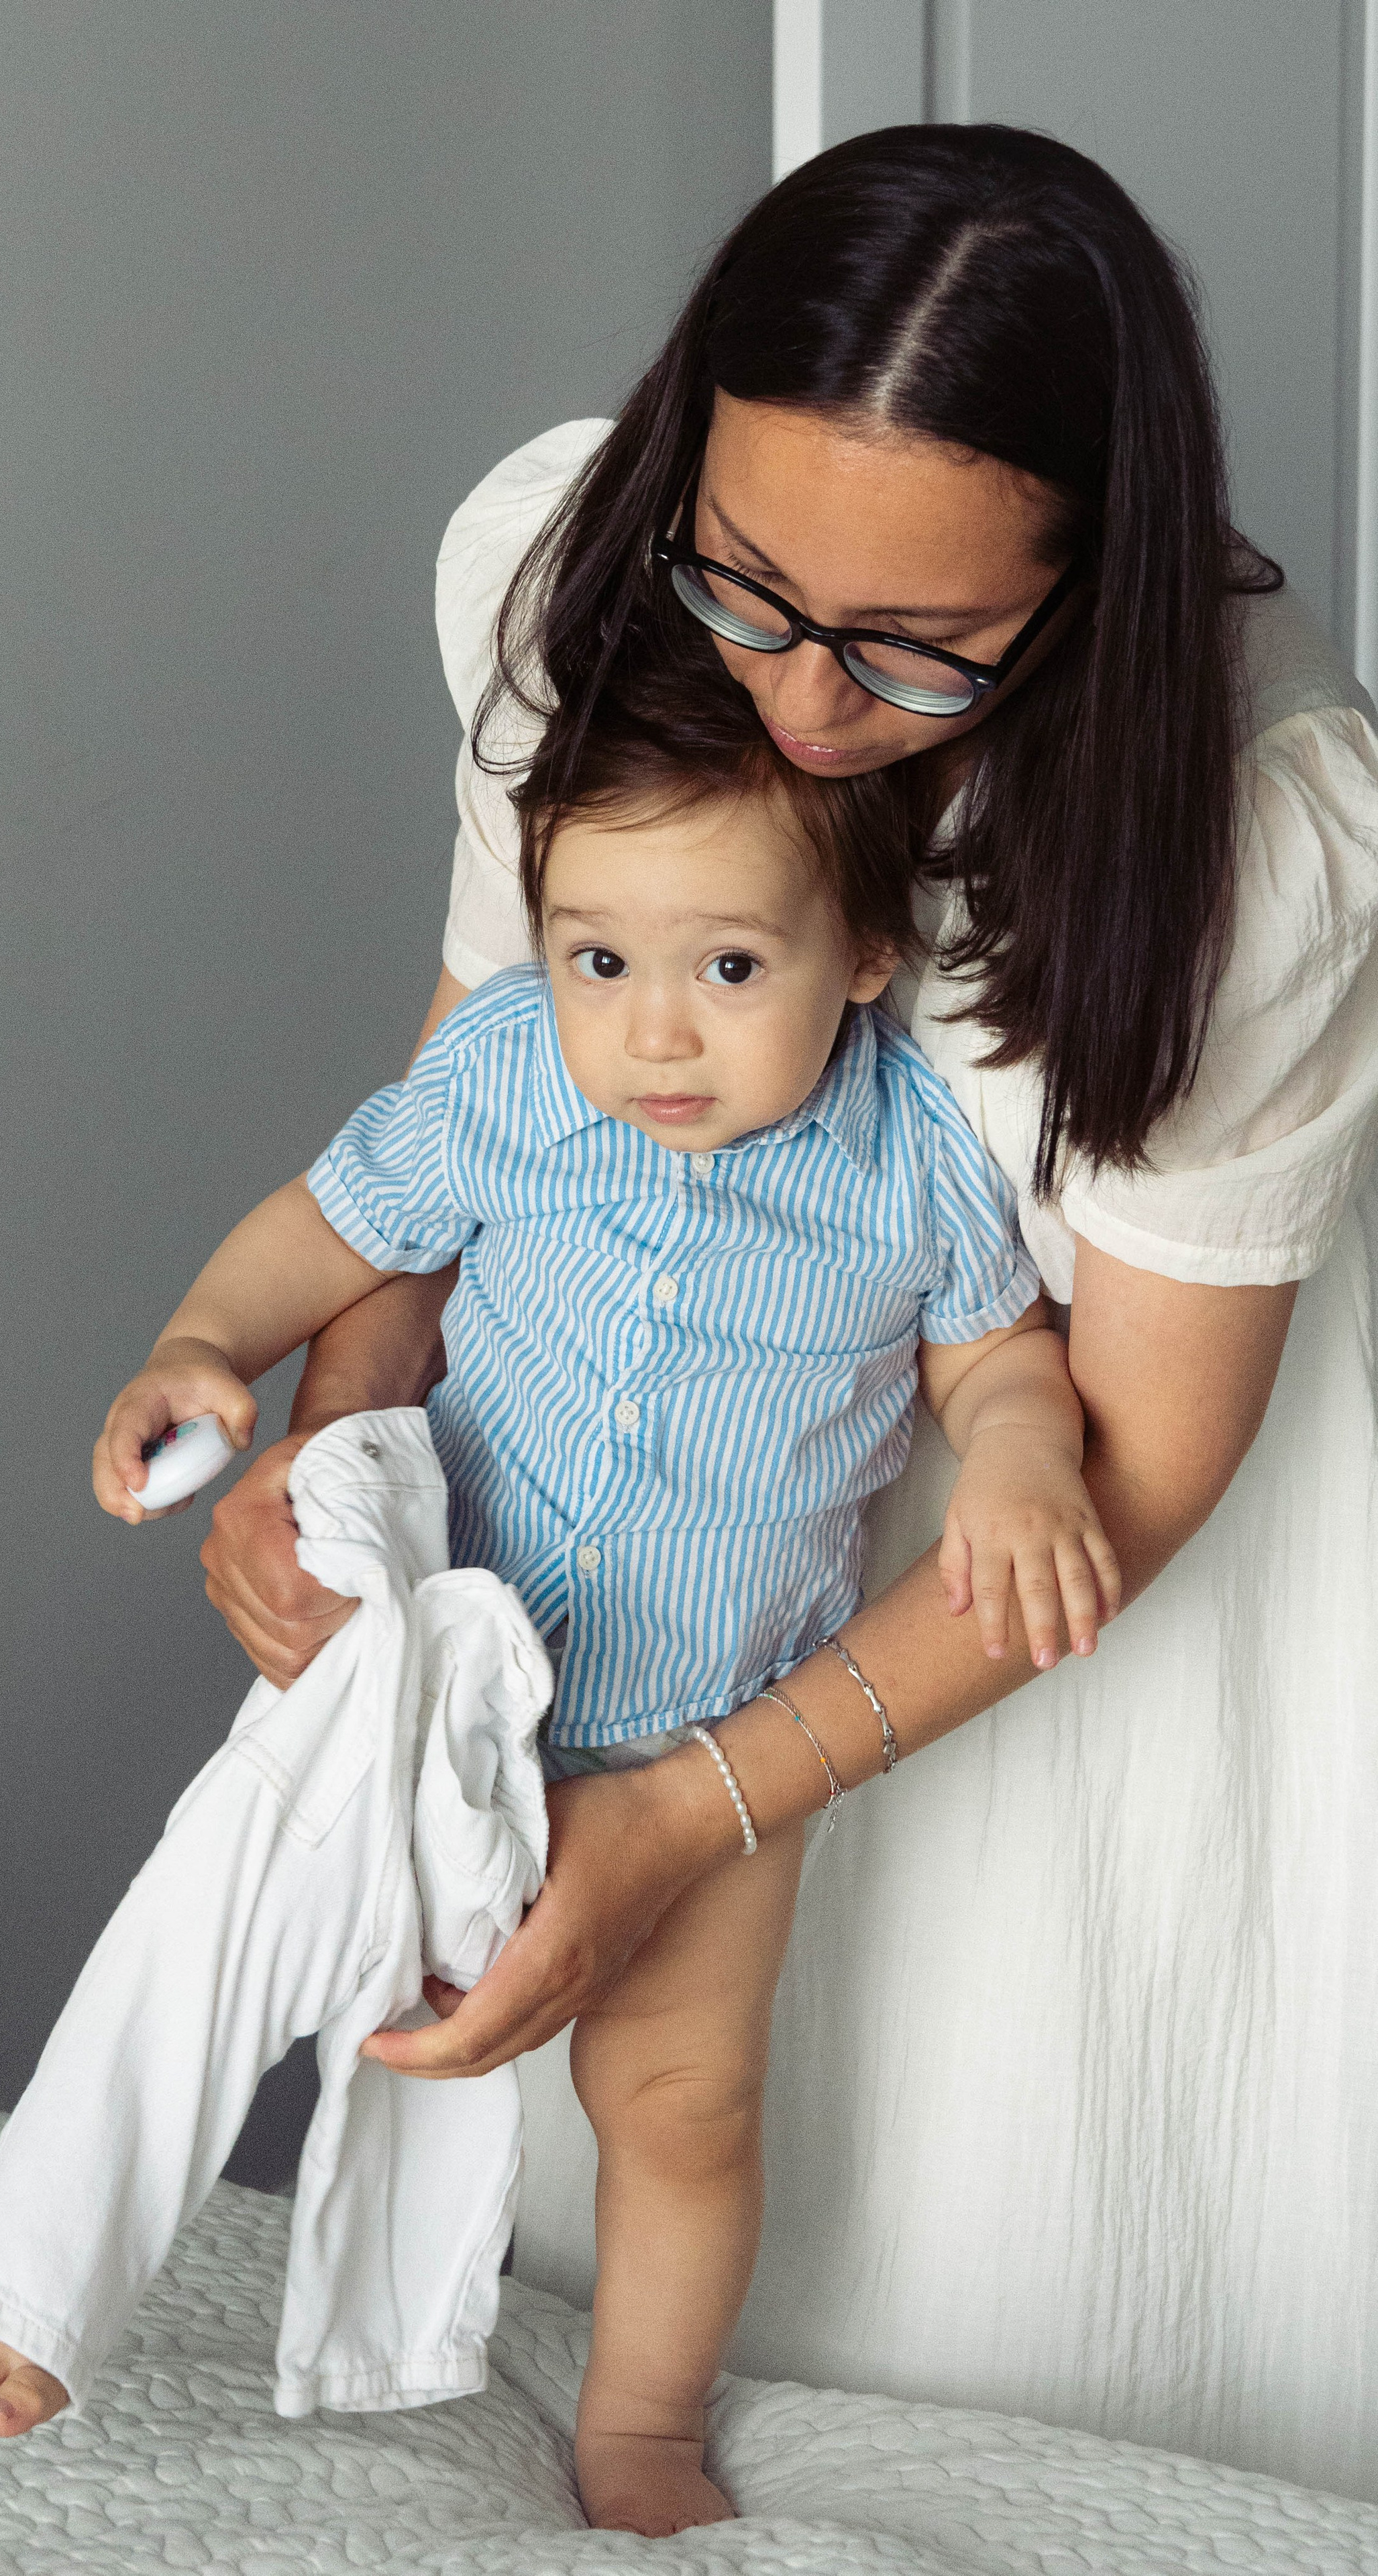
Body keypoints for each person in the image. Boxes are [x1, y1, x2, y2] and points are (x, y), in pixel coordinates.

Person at [196, 125, 1378, 2496]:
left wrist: (693, 1812)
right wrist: (361, 1484)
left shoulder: (1246, 838)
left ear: (1100, 587)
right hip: (624, 1507)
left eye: (921, 644)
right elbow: (475, 1099)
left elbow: (1126, 1464)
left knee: (999, 2200)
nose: (810, 701)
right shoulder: (573, 576)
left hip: (1032, 1557)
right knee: (575, 2088)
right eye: (748, 586)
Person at [0, 727, 1120, 2538]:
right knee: (217, 1922)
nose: (653, 1030)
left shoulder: (910, 1155)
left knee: (684, 2096)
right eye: (597, 959)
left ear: (863, 957)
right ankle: (33, 2283)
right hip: (437, 1683)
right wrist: (201, 1344)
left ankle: (640, 2426)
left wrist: (1024, 1464)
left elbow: (1000, 1360)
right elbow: (333, 1227)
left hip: (712, 1732)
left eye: (731, 966)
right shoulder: (508, 1083)